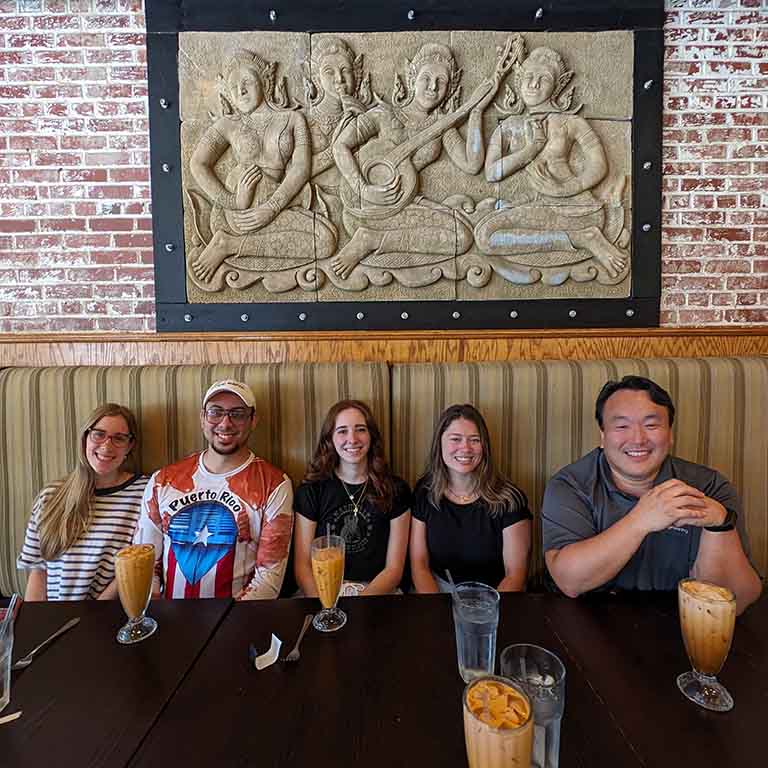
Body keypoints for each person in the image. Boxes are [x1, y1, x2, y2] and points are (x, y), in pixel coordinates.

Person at [542, 376, 762, 614]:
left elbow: (738, 600)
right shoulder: (571, 485)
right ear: (603, 437)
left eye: (651, 425)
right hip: (586, 618)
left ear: (670, 434)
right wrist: (642, 519)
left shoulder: (709, 487)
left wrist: (720, 524)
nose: (638, 439)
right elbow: (570, 582)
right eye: (622, 426)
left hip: (681, 620)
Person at [329, 42, 508, 280]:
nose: (432, 87)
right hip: (366, 207)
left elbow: (472, 165)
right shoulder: (384, 115)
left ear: (450, 87)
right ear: (412, 77)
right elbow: (340, 146)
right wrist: (363, 188)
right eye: (426, 78)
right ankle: (364, 240)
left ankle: (373, 240)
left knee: (460, 237)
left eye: (441, 82)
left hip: (404, 207)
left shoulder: (442, 126)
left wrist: (476, 112)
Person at [474, 45, 628, 280]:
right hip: (539, 209)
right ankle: (579, 237)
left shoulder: (569, 122)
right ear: (518, 80)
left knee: (486, 236)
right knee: (487, 224)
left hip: (578, 209)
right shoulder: (508, 126)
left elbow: (599, 165)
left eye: (543, 79)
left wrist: (565, 188)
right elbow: (492, 173)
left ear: (557, 84)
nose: (534, 84)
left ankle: (585, 238)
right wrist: (532, 148)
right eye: (529, 77)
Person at [188, 48, 336, 284]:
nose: (241, 90)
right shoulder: (229, 124)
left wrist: (271, 208)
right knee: (324, 239)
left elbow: (301, 168)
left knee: (325, 241)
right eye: (234, 86)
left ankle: (229, 245)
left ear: (265, 82)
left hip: (277, 202)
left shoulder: (292, 119)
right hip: (241, 207)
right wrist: (232, 200)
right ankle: (232, 239)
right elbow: (197, 163)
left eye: (247, 81)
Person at [135, 380, 293, 600]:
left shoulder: (274, 484)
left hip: (237, 620)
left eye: (237, 414)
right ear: (202, 418)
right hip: (169, 618)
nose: (225, 423)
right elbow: (144, 562)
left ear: (253, 420)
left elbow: (268, 578)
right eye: (215, 412)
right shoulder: (163, 480)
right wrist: (159, 613)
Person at [17, 403, 148, 601]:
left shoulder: (145, 492)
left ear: (129, 446)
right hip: (54, 617)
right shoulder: (51, 495)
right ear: (85, 438)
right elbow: (38, 571)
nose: (106, 445)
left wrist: (91, 615)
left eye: (119, 438)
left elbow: (136, 565)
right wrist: (35, 624)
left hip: (109, 615)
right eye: (98, 434)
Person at [293, 400, 411, 596]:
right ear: (329, 438)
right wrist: (325, 606)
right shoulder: (311, 490)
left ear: (371, 436)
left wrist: (360, 605)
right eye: (342, 431)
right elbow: (302, 567)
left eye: (360, 430)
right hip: (321, 590)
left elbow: (393, 570)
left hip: (378, 591)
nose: (352, 439)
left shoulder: (396, 490)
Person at [410, 404, 532, 592]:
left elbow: (515, 574)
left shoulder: (510, 500)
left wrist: (486, 612)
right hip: (437, 590)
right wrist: (434, 608)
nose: (465, 448)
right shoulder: (425, 491)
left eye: (474, 440)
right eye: (455, 439)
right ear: (439, 443)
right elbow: (419, 564)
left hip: (494, 594)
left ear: (484, 446)